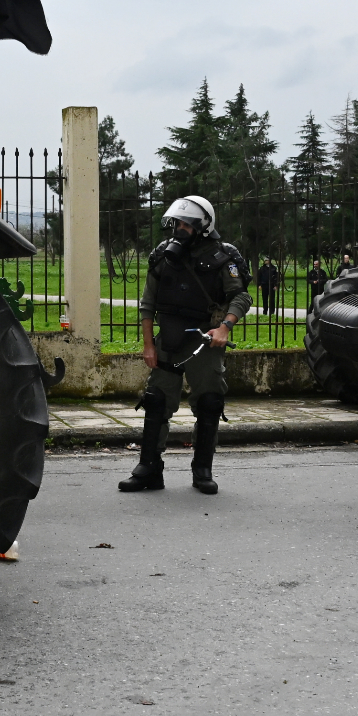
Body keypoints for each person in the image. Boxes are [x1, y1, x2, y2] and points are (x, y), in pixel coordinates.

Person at [119, 195, 251, 495]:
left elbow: (241, 296)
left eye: (185, 224)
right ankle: (149, 469)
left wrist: (225, 326)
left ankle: (202, 470)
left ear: (202, 226)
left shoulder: (223, 256)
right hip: (168, 341)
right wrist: (149, 345)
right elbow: (147, 304)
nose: (179, 229)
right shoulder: (163, 255)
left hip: (204, 343)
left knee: (209, 403)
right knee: (155, 401)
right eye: (176, 223)